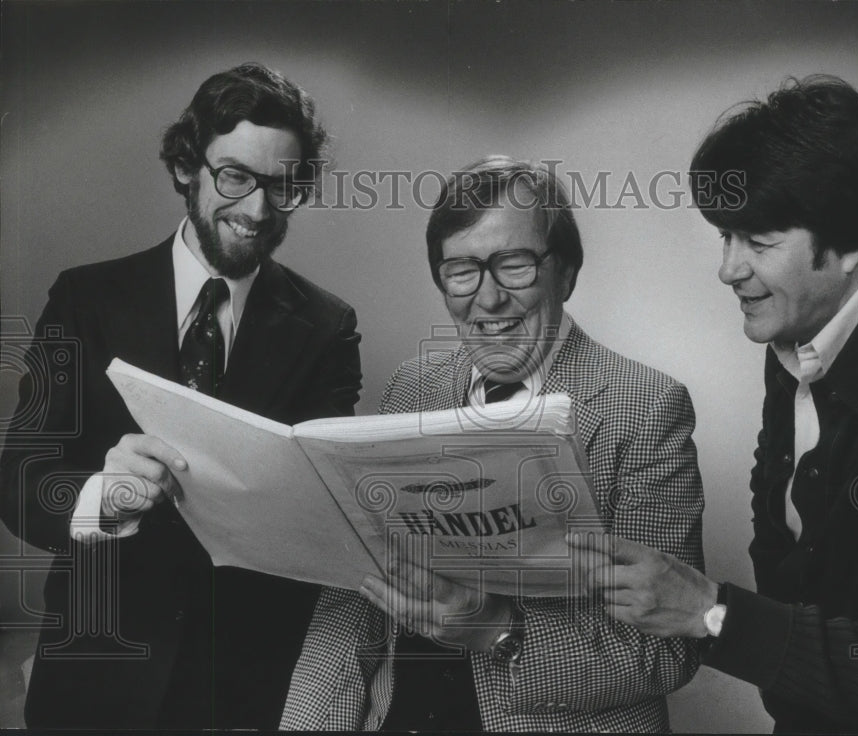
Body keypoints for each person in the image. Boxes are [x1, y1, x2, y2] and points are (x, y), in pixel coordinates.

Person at [572, 75, 858, 733]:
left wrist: (709, 612)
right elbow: (785, 527)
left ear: (853, 240)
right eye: (726, 237)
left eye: (759, 241)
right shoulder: (802, 329)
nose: (728, 269)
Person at [281, 156, 705, 731]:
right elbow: (355, 598)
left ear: (566, 273)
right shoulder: (414, 387)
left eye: (514, 264)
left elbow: (666, 650)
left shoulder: (648, 406)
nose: (488, 298)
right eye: (462, 270)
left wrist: (498, 630)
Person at [0, 62, 362, 729]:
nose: (258, 211)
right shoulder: (84, 301)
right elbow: (19, 480)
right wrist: (99, 499)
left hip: (246, 686)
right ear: (185, 167)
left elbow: (325, 512)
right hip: (96, 675)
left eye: (283, 186)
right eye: (235, 177)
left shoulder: (328, 326)